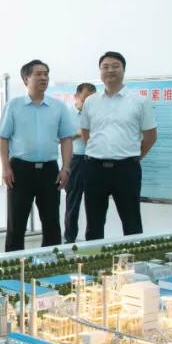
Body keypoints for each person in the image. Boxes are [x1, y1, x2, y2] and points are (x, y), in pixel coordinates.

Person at [0, 60, 75, 252]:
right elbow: (3, 138)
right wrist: (5, 167)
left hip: (49, 170)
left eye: (46, 74)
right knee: (16, 223)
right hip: (20, 169)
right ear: (26, 78)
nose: (44, 78)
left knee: (51, 222)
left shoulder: (58, 107)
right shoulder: (14, 105)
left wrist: (66, 169)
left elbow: (66, 139)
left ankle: (50, 263)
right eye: (38, 74)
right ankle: (13, 264)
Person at [79, 51, 158, 240]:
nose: (110, 70)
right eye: (105, 67)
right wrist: (98, 150)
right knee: (94, 223)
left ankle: (133, 258)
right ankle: (93, 258)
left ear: (123, 69)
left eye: (115, 66)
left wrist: (135, 156)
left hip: (126, 170)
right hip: (94, 168)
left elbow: (150, 136)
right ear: (100, 71)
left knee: (131, 221)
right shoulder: (91, 101)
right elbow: (85, 131)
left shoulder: (139, 101)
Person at [63, 82, 97, 243]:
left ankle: (93, 239)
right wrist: (78, 133)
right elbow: (60, 137)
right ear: (76, 97)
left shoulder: (97, 113)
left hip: (95, 160)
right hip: (76, 160)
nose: (88, 104)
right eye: (84, 100)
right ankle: (70, 239)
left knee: (94, 202)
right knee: (73, 201)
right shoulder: (66, 114)